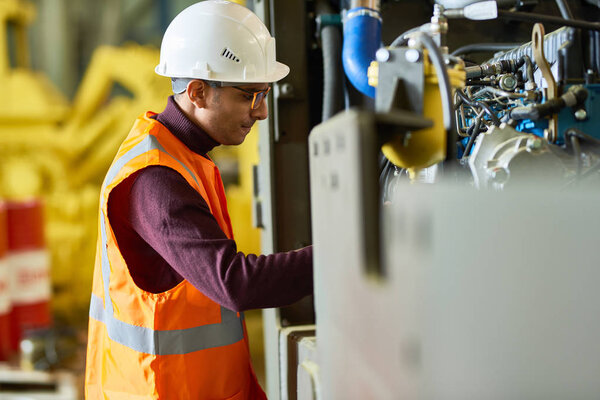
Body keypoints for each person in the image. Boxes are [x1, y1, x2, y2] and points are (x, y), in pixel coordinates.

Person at [84, 1, 313, 399]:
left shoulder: (183, 157)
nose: (260, 113)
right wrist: (348, 249)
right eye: (249, 96)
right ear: (198, 92)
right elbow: (235, 282)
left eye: (264, 96)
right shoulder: (155, 179)